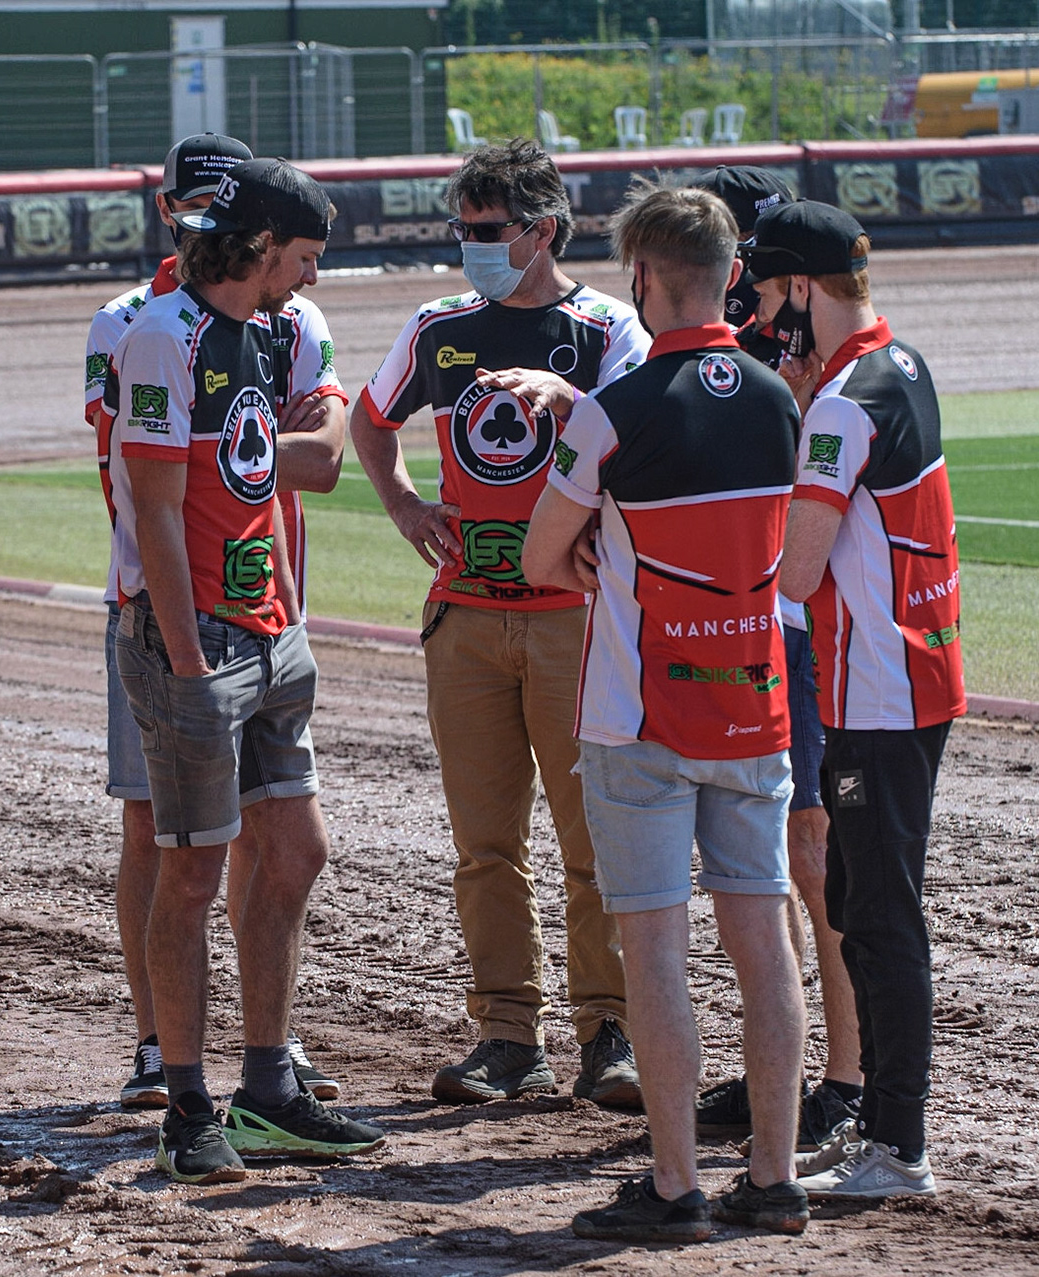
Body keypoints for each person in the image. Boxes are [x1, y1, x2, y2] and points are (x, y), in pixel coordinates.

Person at [521, 180, 808, 1243]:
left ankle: (677, 1184)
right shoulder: (782, 399)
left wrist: (599, 561)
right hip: (755, 704)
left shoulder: (613, 408)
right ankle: (772, 1178)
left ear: (641, 277)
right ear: (731, 276)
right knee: (764, 943)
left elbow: (540, 555)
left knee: (655, 953)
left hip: (639, 714)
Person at [353, 139, 647, 1107]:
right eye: (462, 227)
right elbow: (370, 418)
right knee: (485, 847)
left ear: (543, 230)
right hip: (467, 621)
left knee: (594, 844)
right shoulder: (438, 327)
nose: (469, 244)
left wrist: (577, 400)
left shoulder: (607, 330)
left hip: (576, 623)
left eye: (486, 229)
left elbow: (653, 436)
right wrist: (404, 505)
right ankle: (508, 1034)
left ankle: (609, 1031)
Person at [109, 157, 385, 1183]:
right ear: (261, 246)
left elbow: (284, 471)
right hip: (195, 643)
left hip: (271, 631)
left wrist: (281, 617)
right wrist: (187, 657)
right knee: (191, 871)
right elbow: (154, 508)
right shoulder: (160, 336)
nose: (310, 278)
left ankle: (267, 1088)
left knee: (296, 851)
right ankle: (187, 1105)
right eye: (303, 258)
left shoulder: (270, 333)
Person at [745, 200, 964, 1200]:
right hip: (912, 678)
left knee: (879, 918)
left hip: (876, 690)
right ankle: (879, 1125)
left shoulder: (839, 405)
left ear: (802, 287)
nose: (760, 317)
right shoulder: (900, 363)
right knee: (864, 902)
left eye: (765, 294)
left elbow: (796, 573)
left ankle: (898, 1147)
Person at [688, 166, 864, 1153]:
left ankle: (847, 1079)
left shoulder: (811, 356)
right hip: (739, 627)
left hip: (796, 632)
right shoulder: (730, 342)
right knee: (758, 858)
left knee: (811, 853)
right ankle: (783, 1070)